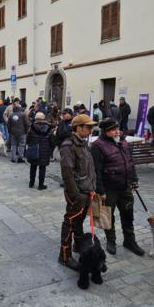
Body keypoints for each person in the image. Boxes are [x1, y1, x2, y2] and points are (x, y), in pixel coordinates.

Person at [91, 118, 145, 256]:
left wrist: (134, 180)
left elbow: (130, 162)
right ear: (106, 131)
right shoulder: (98, 145)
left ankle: (130, 241)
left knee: (128, 213)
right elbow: (96, 170)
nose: (117, 131)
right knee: (107, 216)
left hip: (125, 185)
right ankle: (111, 240)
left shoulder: (123, 141)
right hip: (109, 188)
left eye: (118, 128)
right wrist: (100, 190)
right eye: (114, 129)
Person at [58, 114, 98, 270]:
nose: (90, 129)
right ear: (78, 128)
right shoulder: (68, 146)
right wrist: (76, 195)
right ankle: (64, 256)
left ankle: (78, 246)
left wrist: (92, 187)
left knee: (79, 221)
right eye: (88, 127)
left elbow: (89, 168)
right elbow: (67, 173)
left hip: (86, 190)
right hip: (78, 193)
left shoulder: (83, 143)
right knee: (70, 221)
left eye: (91, 127)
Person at [27, 112, 52, 190]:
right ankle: (41, 185)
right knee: (42, 168)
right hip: (44, 150)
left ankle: (31, 183)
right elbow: (51, 140)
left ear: (36, 118)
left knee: (33, 167)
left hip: (34, 149)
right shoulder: (49, 128)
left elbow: (28, 139)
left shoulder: (32, 127)